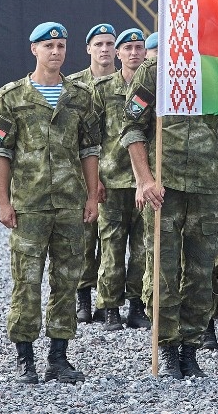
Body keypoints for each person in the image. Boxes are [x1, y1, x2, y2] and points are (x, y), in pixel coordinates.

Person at [0, 22, 101, 384]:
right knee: (26, 281)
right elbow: (0, 151)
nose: (56, 52)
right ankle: (25, 359)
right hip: (30, 204)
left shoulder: (80, 97)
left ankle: (58, 357)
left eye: (61, 46)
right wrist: (4, 202)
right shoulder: (12, 96)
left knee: (67, 280)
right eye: (48, 45)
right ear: (33, 49)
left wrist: (93, 195)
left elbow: (90, 151)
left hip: (69, 203)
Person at [122, 58, 218, 379]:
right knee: (163, 272)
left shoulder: (216, 71)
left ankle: (190, 348)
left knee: (202, 273)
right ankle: (168, 348)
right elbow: (132, 128)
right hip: (165, 189)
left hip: (206, 190)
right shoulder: (155, 70)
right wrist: (145, 180)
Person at [92, 29, 152, 331]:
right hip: (112, 180)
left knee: (142, 247)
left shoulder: (153, 87)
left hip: (145, 179)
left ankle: (136, 305)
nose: (134, 53)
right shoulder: (104, 89)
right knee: (112, 247)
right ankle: (110, 306)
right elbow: (91, 137)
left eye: (139, 48)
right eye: (127, 48)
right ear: (118, 54)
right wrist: (95, 180)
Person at [68, 23, 117, 324]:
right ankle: (83, 298)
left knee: (114, 241)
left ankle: (108, 300)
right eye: (98, 44)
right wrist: (91, 179)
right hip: (85, 175)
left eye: (109, 44)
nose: (104, 49)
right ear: (88, 49)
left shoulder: (130, 84)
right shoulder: (74, 86)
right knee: (85, 239)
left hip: (120, 172)